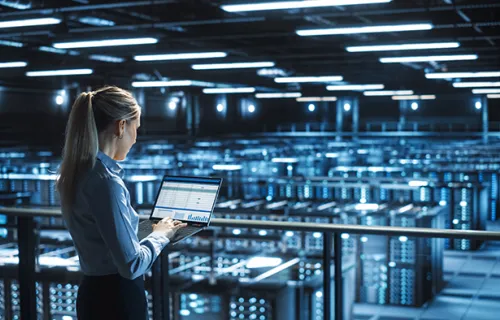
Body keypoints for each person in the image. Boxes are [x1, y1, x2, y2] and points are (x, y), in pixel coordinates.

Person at [56, 86, 187, 320]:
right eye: (136, 128)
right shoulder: (106, 182)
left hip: (92, 293)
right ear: (121, 126)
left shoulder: (77, 174)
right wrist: (162, 236)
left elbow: (106, 235)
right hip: (117, 300)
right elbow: (132, 265)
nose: (136, 138)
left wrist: (156, 226)